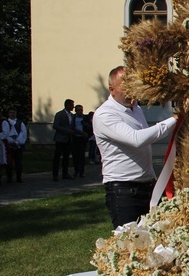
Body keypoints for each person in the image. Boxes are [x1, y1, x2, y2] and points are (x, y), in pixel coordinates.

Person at [93, 66, 178, 229]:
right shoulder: (105, 114)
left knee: (158, 238)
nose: (131, 93)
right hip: (123, 191)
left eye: (133, 87)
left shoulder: (136, 109)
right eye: (125, 88)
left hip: (147, 186)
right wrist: (173, 120)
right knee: (130, 243)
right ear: (112, 90)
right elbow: (137, 139)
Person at [2, 108, 27, 183]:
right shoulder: (5, 122)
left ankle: (18, 177)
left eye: (13, 113)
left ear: (16, 114)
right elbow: (5, 133)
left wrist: (17, 142)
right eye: (10, 113)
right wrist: (10, 141)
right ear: (8, 114)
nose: (12, 114)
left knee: (18, 162)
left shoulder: (20, 122)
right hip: (9, 145)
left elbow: (23, 133)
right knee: (9, 162)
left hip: (18, 144)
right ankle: (9, 177)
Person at [52, 99, 75, 181]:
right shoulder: (60, 114)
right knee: (57, 157)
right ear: (67, 105)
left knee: (66, 157)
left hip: (68, 139)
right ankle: (55, 175)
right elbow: (55, 126)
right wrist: (67, 131)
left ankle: (65, 173)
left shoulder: (72, 116)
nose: (73, 107)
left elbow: (73, 127)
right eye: (72, 105)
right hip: (60, 139)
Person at [71, 104, 89, 177]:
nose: (80, 111)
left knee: (82, 155)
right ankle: (76, 170)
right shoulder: (73, 118)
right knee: (75, 155)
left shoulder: (85, 118)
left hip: (82, 138)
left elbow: (89, 126)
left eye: (81, 110)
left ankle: (82, 171)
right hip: (75, 138)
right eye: (78, 110)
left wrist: (85, 124)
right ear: (75, 111)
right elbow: (71, 127)